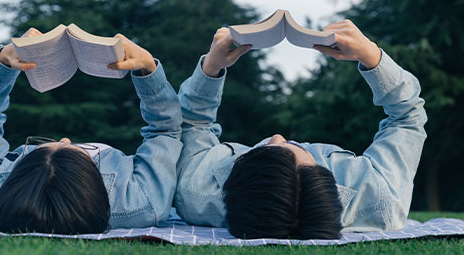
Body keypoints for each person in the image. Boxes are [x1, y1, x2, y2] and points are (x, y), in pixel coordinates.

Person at [174, 20, 428, 239]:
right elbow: (407, 117)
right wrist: (372, 57)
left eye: (264, 149)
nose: (278, 136)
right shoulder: (379, 199)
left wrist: (211, 67)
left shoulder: (196, 194)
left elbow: (193, 124)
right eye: (296, 149)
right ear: (323, 177)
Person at [0, 28, 182, 234]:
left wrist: (3, 62)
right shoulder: (139, 205)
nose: (66, 139)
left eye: (41, 145)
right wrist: (148, 70)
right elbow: (165, 131)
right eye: (77, 151)